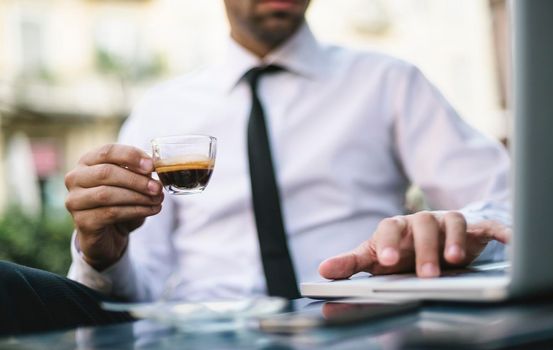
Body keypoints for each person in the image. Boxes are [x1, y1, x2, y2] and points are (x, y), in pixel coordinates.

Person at [0, 0, 511, 335]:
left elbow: (513, 205)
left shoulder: (388, 81)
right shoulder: (162, 109)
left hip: (359, 329)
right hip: (203, 335)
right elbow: (136, 292)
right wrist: (103, 255)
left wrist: (461, 230)